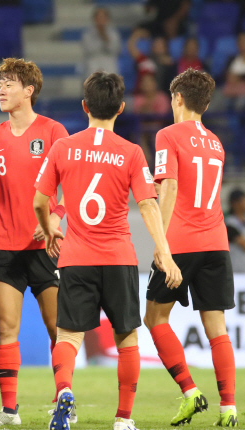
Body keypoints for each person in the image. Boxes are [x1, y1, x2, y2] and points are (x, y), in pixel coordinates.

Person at [34, 71, 182, 430]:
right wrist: (163, 251)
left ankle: (65, 392)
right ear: (121, 108)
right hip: (118, 258)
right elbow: (148, 205)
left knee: (68, 336)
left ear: (84, 106)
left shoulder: (62, 147)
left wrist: (48, 224)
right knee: (127, 336)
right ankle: (123, 418)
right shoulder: (131, 152)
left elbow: (40, 199)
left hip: (76, 258)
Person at [0, 58, 69, 426]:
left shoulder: (54, 132)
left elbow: (74, 181)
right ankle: (9, 411)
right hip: (5, 247)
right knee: (6, 331)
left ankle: (62, 398)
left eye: (9, 83)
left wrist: (55, 216)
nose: (1, 89)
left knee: (57, 329)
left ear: (29, 91)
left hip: (46, 248)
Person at [143, 68, 239, 427]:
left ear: (178, 98)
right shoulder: (217, 143)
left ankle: (190, 392)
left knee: (154, 318)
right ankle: (228, 408)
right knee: (218, 328)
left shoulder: (168, 134)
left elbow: (167, 188)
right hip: (216, 244)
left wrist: (161, 242)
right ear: (207, 103)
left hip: (181, 243)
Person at [81, 8, 122, 76]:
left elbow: (116, 50)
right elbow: (89, 50)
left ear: (107, 19)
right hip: (93, 67)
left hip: (110, 67)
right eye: (98, 17)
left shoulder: (113, 34)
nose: (101, 20)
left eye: (103, 17)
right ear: (94, 19)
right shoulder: (87, 35)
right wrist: (99, 35)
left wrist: (105, 37)